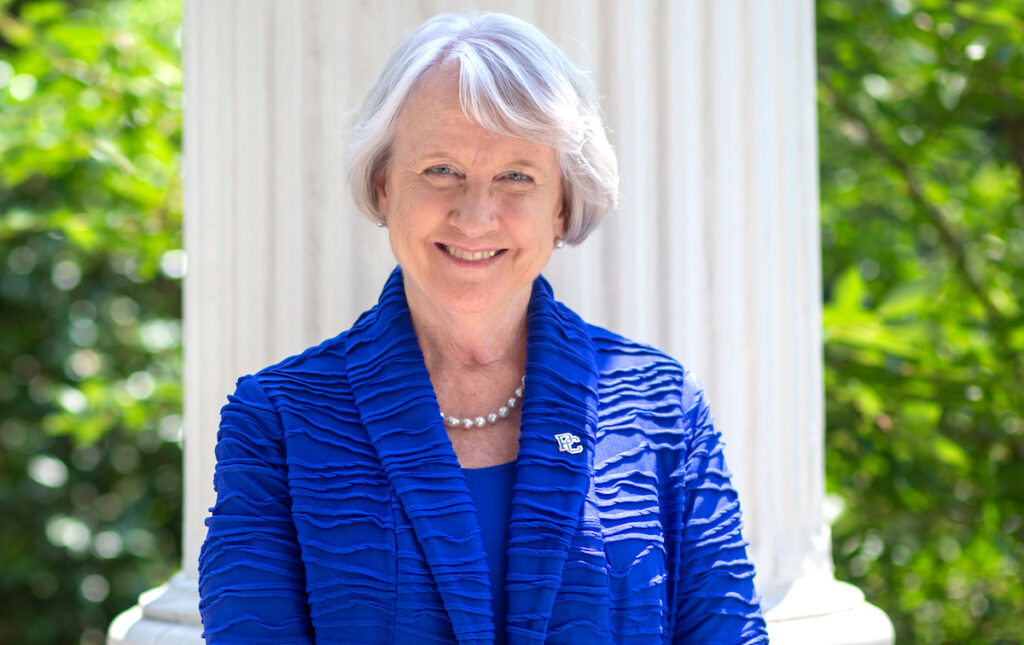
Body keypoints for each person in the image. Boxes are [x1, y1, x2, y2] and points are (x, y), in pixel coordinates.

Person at [198, 11, 768, 645]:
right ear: (385, 187)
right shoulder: (277, 420)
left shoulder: (662, 406)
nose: (475, 215)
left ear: (562, 204)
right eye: (440, 170)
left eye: (516, 176)